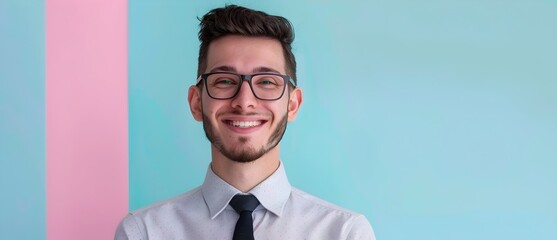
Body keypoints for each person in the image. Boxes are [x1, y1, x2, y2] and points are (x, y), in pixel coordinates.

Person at [115, 5, 375, 240]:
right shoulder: (143, 232)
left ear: (292, 104)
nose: (244, 101)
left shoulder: (345, 233)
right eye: (225, 81)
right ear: (196, 102)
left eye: (266, 82)